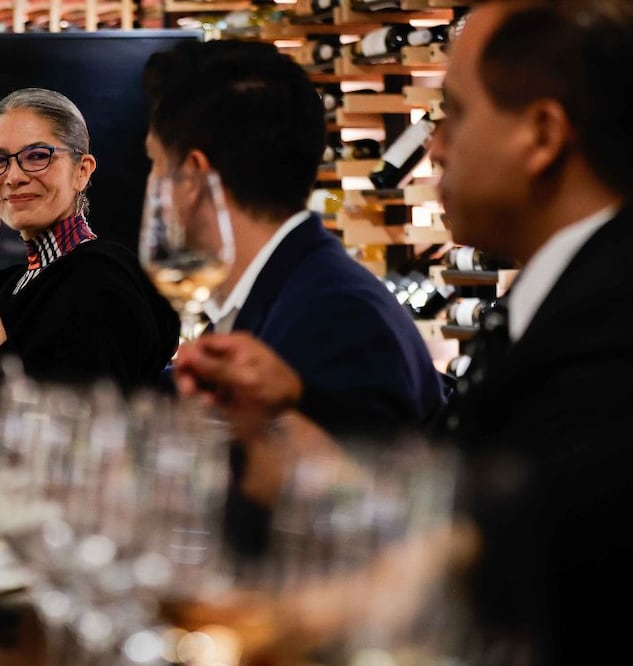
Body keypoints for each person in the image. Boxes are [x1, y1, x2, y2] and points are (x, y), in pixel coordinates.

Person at [175, 1, 633, 663]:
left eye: (453, 112)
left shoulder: (609, 330)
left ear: (541, 135)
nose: (434, 146)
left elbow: (516, 567)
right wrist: (286, 423)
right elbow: (451, 509)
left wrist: (287, 621)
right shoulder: (553, 299)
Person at [143, 37, 448, 556]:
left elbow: (346, 548)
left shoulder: (335, 316)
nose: (151, 185)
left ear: (192, 179)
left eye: (154, 164)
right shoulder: (287, 288)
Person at [0, 87, 179, 393]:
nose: (13, 177)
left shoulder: (105, 276)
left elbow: (99, 422)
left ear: (82, 172)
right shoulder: (3, 285)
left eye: (37, 156)